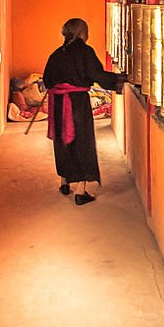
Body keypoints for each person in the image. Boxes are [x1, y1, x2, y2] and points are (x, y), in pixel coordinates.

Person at [43, 18, 126, 205]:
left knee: (62, 141)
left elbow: (47, 79)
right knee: (81, 141)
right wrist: (120, 79)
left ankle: (64, 182)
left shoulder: (56, 54)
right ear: (82, 33)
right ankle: (80, 191)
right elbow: (97, 75)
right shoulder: (85, 52)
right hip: (76, 104)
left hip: (58, 103)